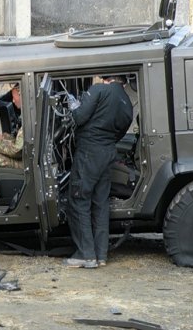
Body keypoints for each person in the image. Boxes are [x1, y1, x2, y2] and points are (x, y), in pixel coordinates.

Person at [64, 76, 133, 268]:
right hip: (108, 153)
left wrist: (73, 105)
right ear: (123, 82)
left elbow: (79, 118)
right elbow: (121, 132)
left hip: (89, 152)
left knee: (79, 200)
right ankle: (101, 255)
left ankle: (85, 255)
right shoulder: (127, 102)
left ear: (105, 78)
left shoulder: (98, 90)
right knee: (100, 204)